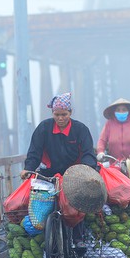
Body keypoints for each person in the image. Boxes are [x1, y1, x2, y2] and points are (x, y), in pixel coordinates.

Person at [21, 92, 98, 249]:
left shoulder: (80, 129)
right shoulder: (44, 128)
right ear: (52, 113)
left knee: (76, 202)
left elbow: (88, 153)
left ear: (70, 113)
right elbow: (34, 152)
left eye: (64, 114)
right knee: (40, 198)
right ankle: (48, 237)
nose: (60, 118)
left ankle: (78, 238)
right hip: (50, 172)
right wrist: (28, 169)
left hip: (75, 173)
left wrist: (87, 169)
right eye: (57, 115)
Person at [96, 98, 130, 216]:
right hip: (115, 163)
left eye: (124, 109)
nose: (121, 112)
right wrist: (100, 151)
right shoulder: (109, 124)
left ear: (129, 111)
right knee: (114, 188)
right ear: (114, 112)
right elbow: (102, 140)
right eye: (118, 110)